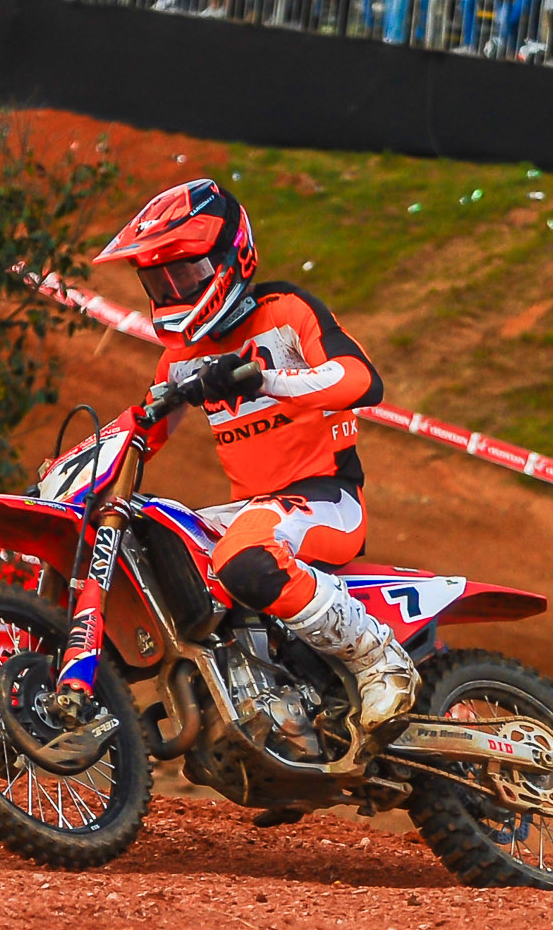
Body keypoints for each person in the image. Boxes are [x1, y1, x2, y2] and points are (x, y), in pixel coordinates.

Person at [76, 177, 417, 738]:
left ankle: (378, 659)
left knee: (244, 554)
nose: (173, 287)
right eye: (158, 279)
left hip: (325, 495)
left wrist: (266, 377)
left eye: (185, 272)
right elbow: (141, 430)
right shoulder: (179, 359)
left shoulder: (286, 311)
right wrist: (72, 467)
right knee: (153, 542)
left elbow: (361, 379)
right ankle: (245, 701)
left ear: (232, 258)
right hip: (254, 508)